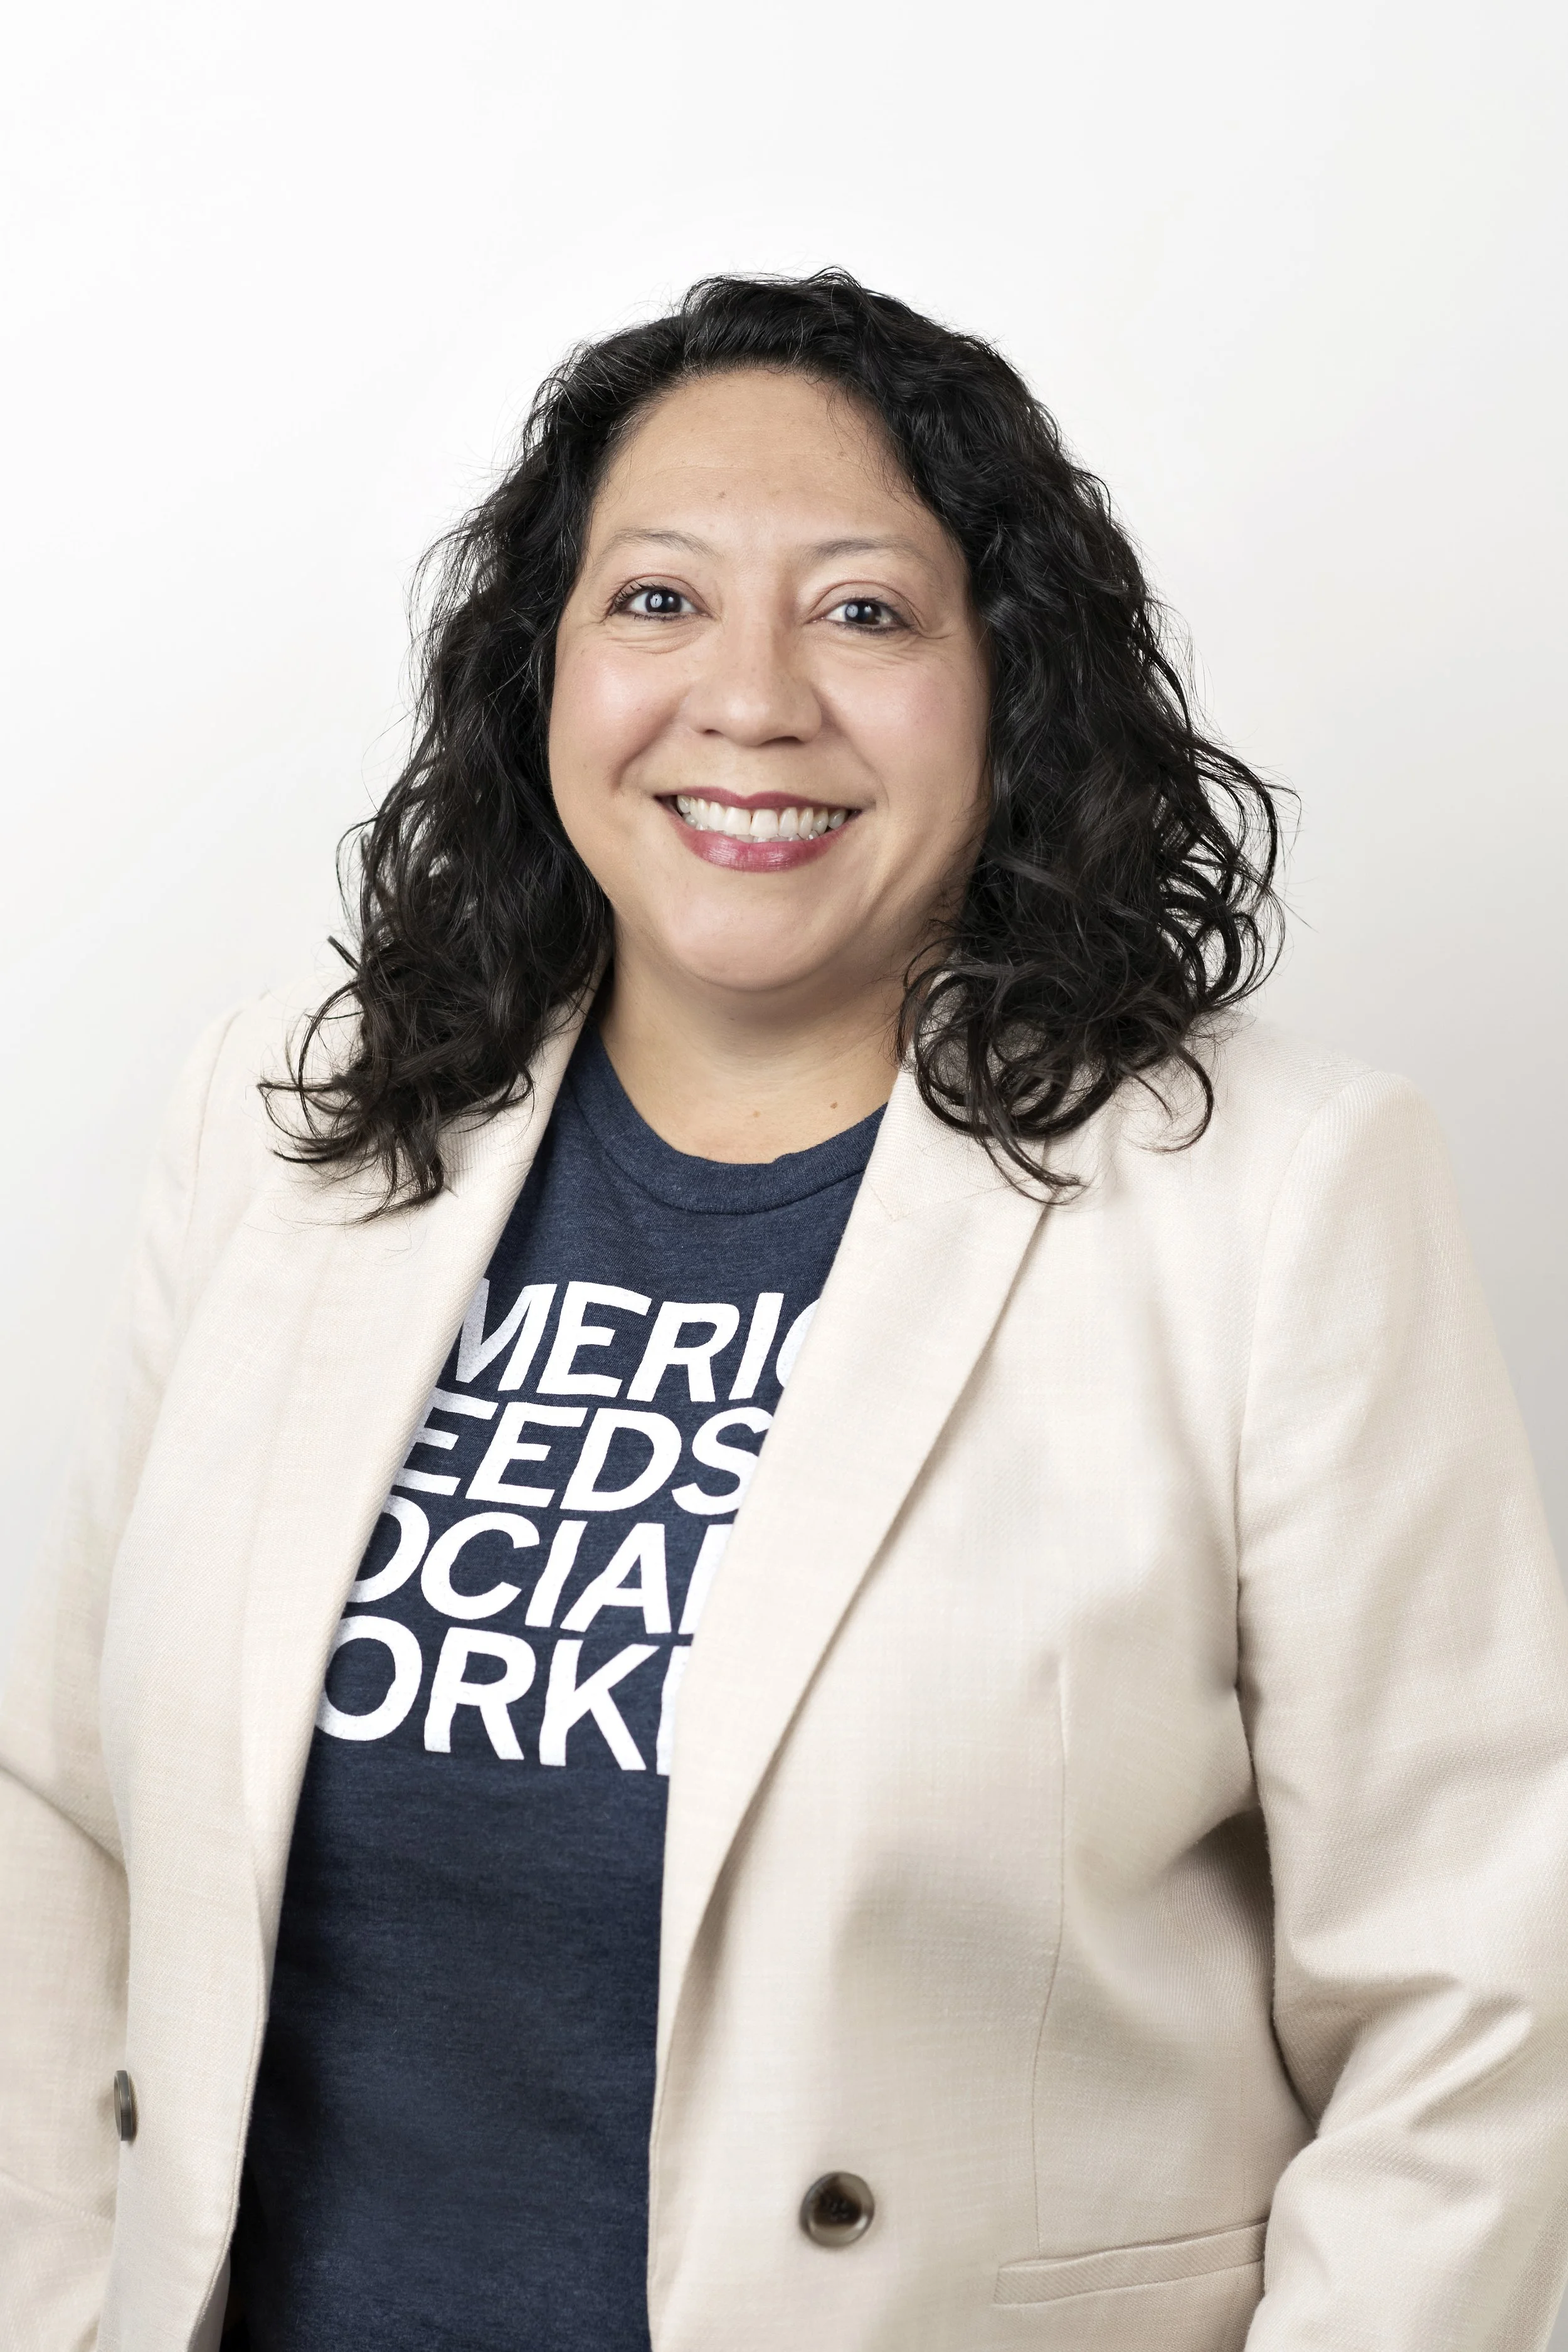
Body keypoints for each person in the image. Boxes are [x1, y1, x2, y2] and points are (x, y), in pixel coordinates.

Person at [3, 271, 1566, 2352]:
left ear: (1009, 688)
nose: (748, 699)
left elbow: (1481, 1995)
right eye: (655, 601)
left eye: (863, 611)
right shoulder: (286, 1120)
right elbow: (60, 1814)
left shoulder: (1272, 1197)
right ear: (535, 669)